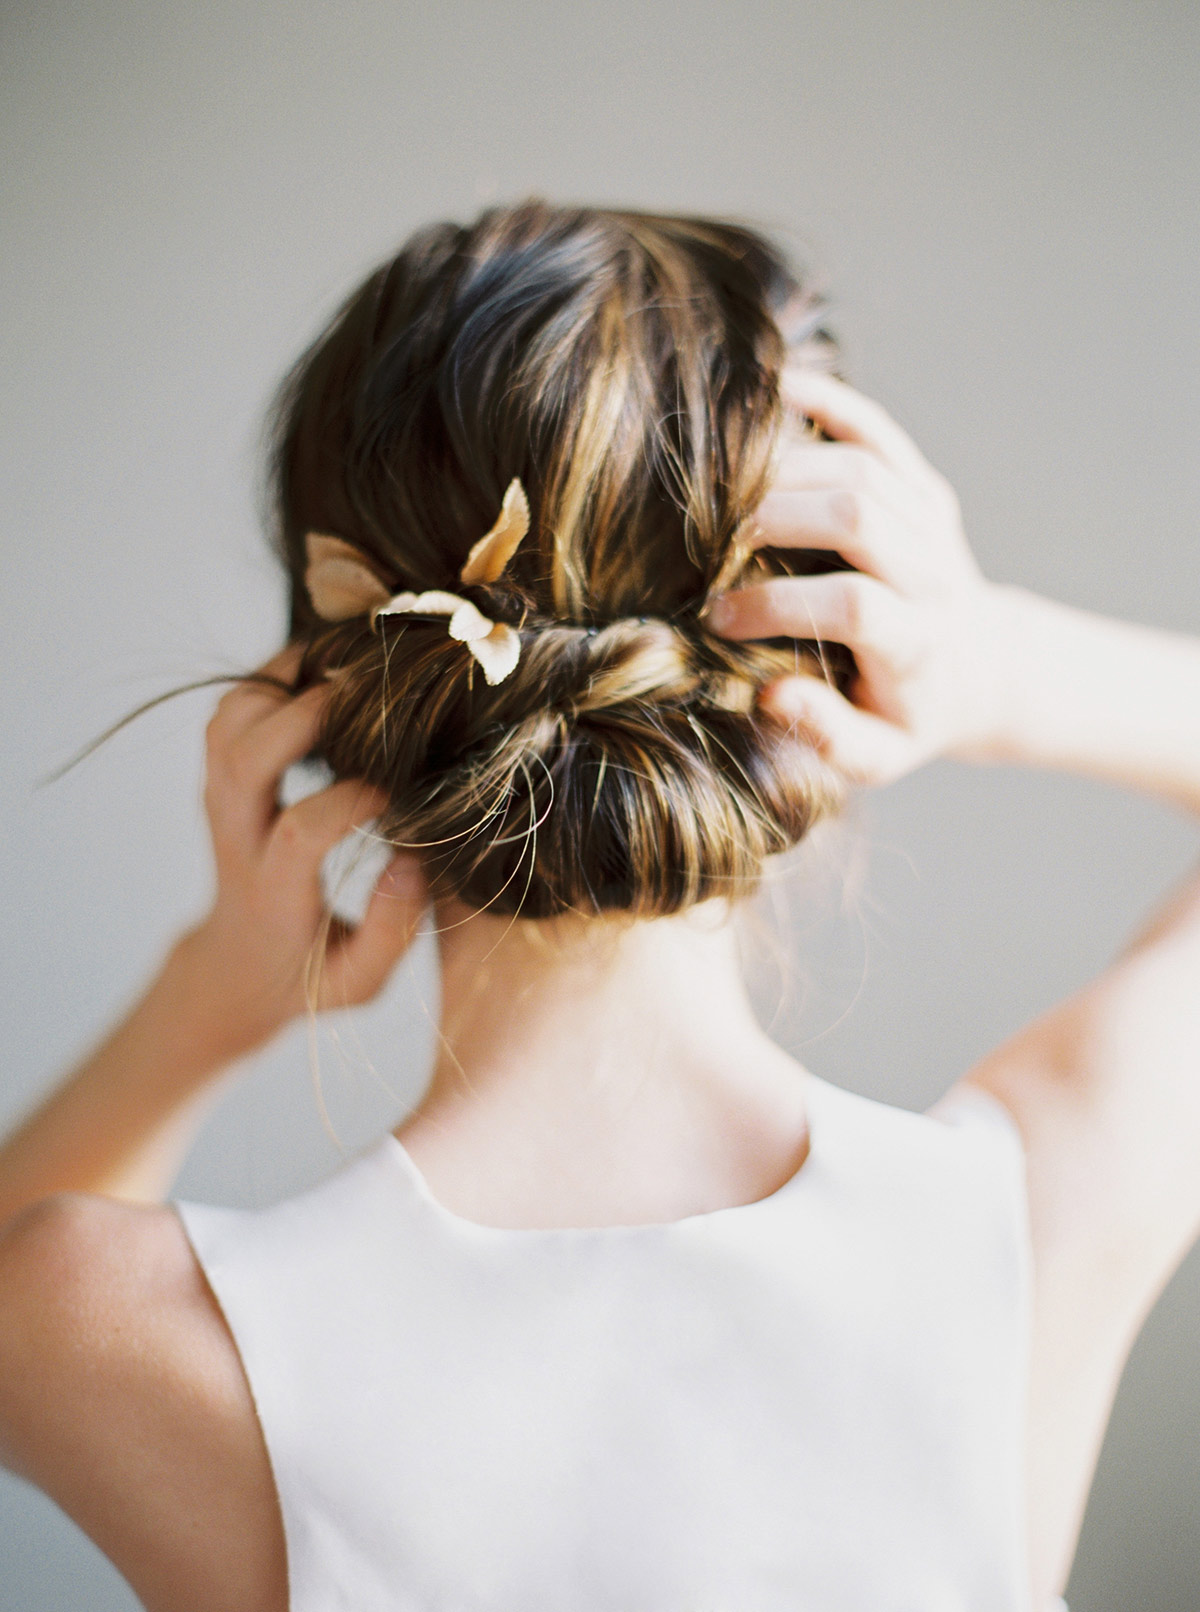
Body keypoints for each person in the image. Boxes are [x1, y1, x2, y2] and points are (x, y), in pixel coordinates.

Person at [1, 203, 1198, 1612]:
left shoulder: (122, 1328)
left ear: (342, 702)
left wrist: (213, 995)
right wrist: (994, 663)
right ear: (820, 693)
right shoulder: (1029, 1220)